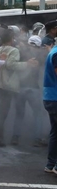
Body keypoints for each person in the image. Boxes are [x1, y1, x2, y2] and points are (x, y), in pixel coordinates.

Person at [0, 29, 39, 147]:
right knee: (2, 113)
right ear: (11, 39)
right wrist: (27, 64)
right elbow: (11, 65)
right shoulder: (14, 50)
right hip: (7, 85)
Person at [12, 35, 48, 146]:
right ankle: (37, 139)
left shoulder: (20, 52)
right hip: (33, 88)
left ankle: (15, 137)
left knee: (19, 114)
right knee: (38, 113)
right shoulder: (41, 54)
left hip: (20, 87)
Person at [42, 39, 57, 173]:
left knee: (55, 132)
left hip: (50, 97)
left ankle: (51, 164)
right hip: (55, 97)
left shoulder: (53, 51)